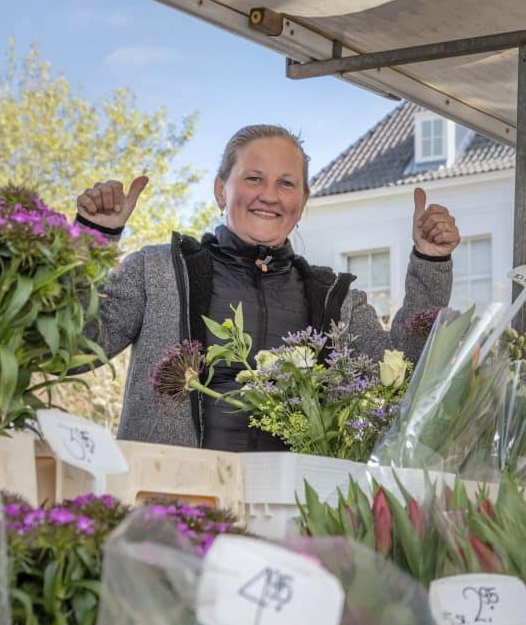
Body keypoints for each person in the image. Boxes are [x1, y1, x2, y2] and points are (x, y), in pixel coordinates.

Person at [76, 124, 460, 452]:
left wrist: (431, 261)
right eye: (254, 178)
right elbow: (74, 350)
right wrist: (91, 240)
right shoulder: (157, 271)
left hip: (286, 508)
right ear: (220, 190)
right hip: (168, 504)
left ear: (303, 201)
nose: (270, 195)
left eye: (287, 183)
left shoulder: (336, 300)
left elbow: (402, 375)